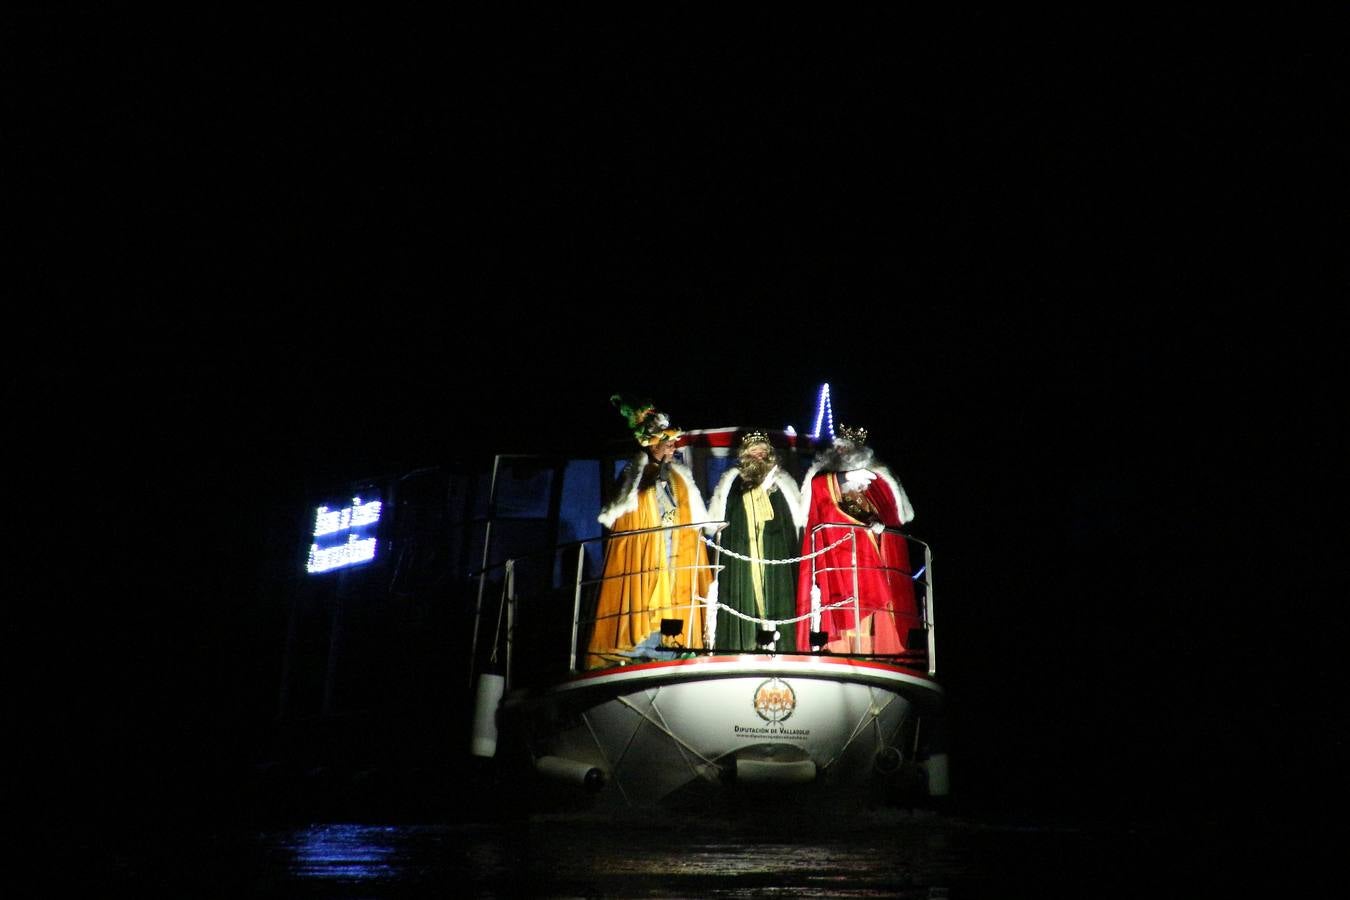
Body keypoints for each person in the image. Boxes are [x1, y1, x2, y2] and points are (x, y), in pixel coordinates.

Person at [585, 397, 712, 668]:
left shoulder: (679, 476)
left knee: (674, 594)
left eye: (673, 440)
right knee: (645, 593)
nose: (672, 444)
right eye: (666, 440)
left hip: (675, 551)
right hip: (647, 551)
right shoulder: (636, 473)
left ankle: (673, 646)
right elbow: (626, 511)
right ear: (651, 442)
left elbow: (690, 516)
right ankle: (638, 648)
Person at [794, 425, 920, 655]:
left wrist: (882, 528)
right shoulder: (823, 479)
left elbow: (892, 518)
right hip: (838, 564)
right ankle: (840, 652)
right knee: (844, 614)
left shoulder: (874, 487)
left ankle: (874, 654)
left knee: (871, 618)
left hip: (869, 565)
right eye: (838, 448)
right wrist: (844, 477)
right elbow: (820, 493)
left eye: (846, 449)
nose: (840, 452)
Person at [705, 431, 803, 652]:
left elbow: (797, 519)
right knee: (743, 596)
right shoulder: (732, 481)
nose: (759, 455)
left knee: (776, 594)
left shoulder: (782, 482)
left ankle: (781, 646)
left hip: (774, 551)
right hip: (742, 551)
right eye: (754, 451)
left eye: (763, 451)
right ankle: (744, 645)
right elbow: (717, 519)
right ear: (745, 455)